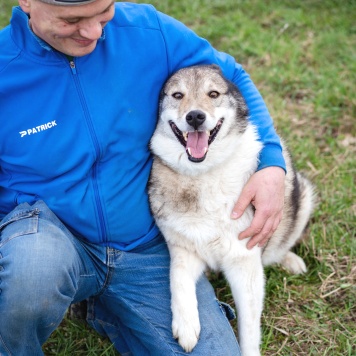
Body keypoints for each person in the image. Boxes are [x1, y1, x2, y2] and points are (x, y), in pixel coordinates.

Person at [0, 0, 286, 355]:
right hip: (51, 240)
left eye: (103, 13)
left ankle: (104, 307)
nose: (93, 32)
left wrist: (272, 163)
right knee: (34, 271)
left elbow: (232, 76)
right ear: (27, 2)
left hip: (147, 246)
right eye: (72, 19)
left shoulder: (149, 30)